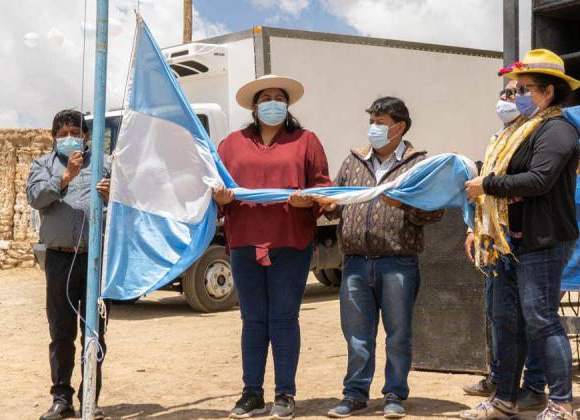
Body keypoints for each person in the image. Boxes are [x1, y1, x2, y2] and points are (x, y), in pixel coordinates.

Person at [460, 49, 580, 420]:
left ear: (548, 92)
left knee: (541, 319)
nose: (516, 96)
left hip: (542, 241)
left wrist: (488, 184)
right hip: (506, 243)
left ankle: (561, 404)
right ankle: (504, 400)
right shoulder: (513, 133)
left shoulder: (557, 129)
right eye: (514, 90)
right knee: (506, 321)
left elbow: (540, 179)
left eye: (524, 89)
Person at [212, 74, 331, 419]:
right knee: (252, 320)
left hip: (291, 242)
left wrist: (307, 202)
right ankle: (251, 394)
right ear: (254, 106)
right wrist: (220, 198)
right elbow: (217, 192)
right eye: (267, 97)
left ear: (288, 105)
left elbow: (322, 189)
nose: (274, 103)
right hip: (245, 241)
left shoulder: (306, 141)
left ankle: (285, 395)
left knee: (283, 318)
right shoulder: (231, 144)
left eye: (280, 97)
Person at [320, 97, 444, 418]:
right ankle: (355, 394)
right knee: (357, 335)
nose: (373, 128)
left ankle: (394, 395)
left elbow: (435, 211)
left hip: (398, 262)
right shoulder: (353, 161)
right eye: (371, 121)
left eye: (381, 122)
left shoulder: (418, 164)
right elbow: (337, 199)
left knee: (398, 333)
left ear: (399, 127)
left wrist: (404, 206)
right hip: (355, 263)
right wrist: (328, 205)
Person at [461, 80, 548, 411]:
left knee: (534, 317)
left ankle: (535, 384)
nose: (507, 98)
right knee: (501, 317)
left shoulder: (535, 135)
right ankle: (501, 379)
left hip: (527, 243)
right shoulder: (498, 139)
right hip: (494, 244)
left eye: (516, 92)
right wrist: (474, 228)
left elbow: (523, 184)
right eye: (504, 93)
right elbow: (485, 192)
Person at [27, 109, 112, 420]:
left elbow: (125, 204)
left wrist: (112, 193)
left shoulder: (104, 163)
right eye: (61, 134)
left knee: (94, 331)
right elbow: (36, 197)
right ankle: (62, 399)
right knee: (61, 331)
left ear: (86, 136)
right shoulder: (43, 165)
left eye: (74, 132)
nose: (68, 138)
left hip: (94, 259)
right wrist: (66, 177)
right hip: (60, 257)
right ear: (53, 138)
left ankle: (91, 396)